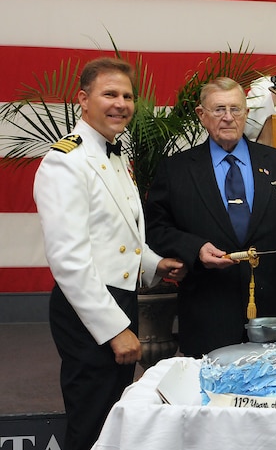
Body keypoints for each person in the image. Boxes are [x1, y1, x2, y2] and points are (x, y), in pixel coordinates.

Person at [32, 57, 186, 450]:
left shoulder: (112, 155)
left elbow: (118, 234)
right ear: (83, 99)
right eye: (109, 94)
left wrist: (155, 263)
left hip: (119, 297)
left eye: (127, 96)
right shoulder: (66, 161)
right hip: (91, 309)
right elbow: (70, 260)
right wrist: (115, 329)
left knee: (113, 422)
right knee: (91, 424)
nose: (121, 103)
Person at [145, 77, 276, 358]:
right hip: (207, 313)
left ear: (247, 114)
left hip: (271, 313)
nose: (228, 118)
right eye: (219, 109)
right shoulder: (175, 170)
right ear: (202, 115)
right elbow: (156, 228)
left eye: (236, 109)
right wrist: (195, 248)